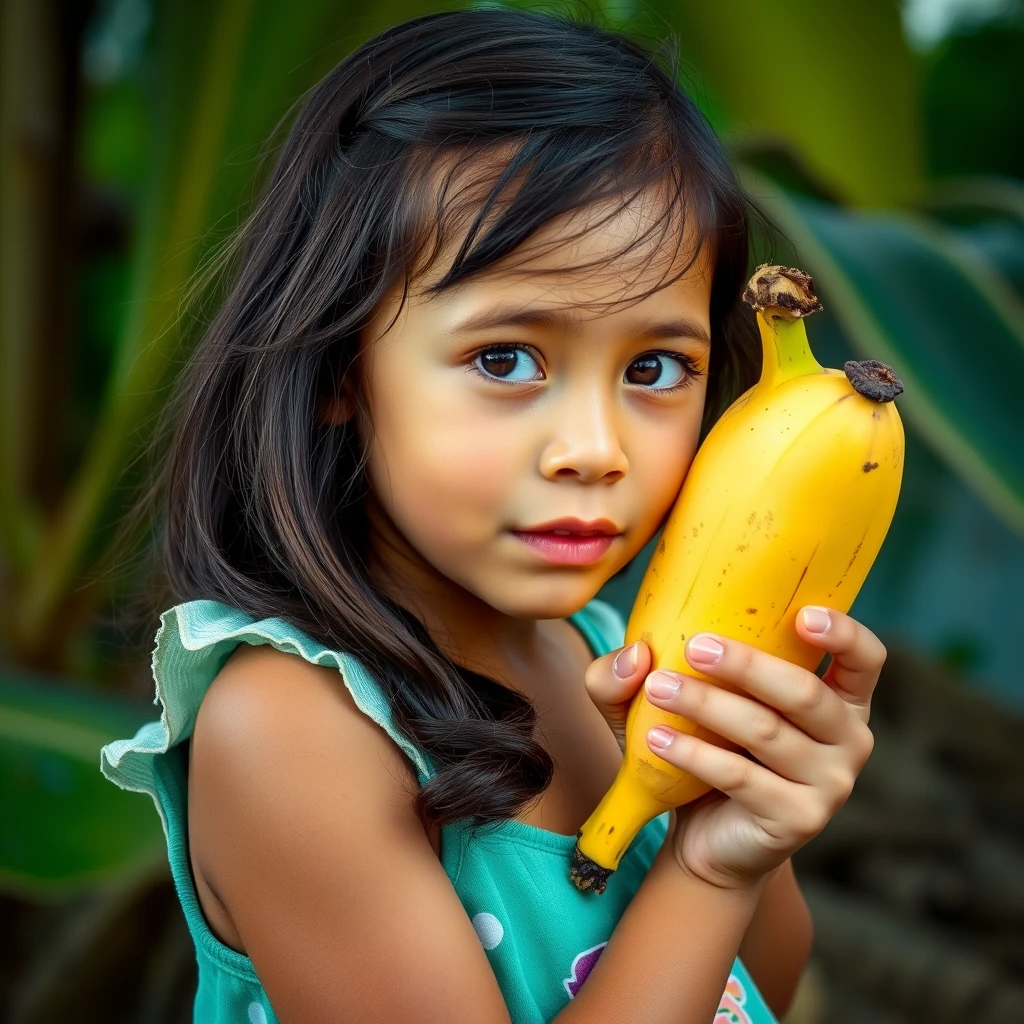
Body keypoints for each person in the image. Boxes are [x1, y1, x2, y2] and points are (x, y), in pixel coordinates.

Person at [101, 6, 884, 1023]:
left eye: (654, 368)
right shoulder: (294, 727)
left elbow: (748, 989)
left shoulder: (601, 651)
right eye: (505, 360)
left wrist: (748, 819)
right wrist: (708, 874)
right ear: (342, 367)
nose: (595, 450)